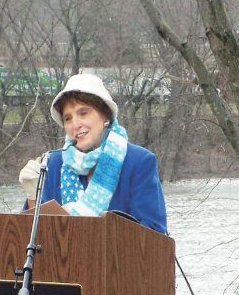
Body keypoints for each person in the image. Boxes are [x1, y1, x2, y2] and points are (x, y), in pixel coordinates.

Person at [20, 72, 167, 234]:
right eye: (67, 118)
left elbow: (154, 235)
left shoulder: (139, 162)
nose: (75, 124)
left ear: (105, 115)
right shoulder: (52, 164)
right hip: (62, 260)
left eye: (83, 113)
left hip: (120, 258)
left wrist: (99, 236)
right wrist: (33, 197)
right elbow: (36, 239)